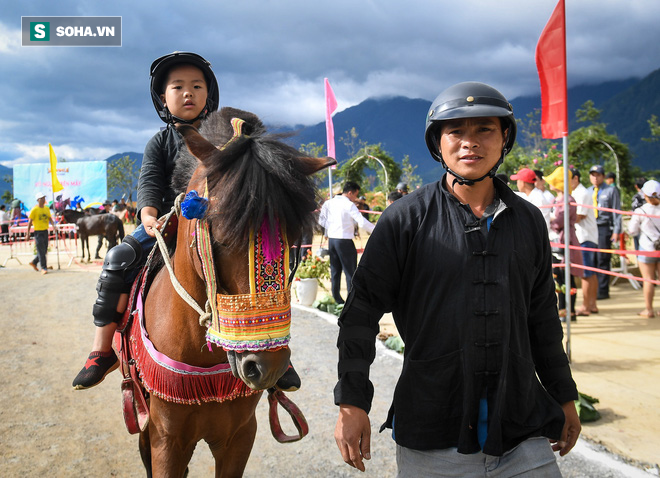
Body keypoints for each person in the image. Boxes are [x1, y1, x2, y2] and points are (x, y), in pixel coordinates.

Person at [334, 82, 580, 476]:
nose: (470, 143)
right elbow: (360, 314)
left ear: (504, 140)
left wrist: (565, 396)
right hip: (433, 434)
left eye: (484, 129)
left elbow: (542, 320)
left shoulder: (528, 220)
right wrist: (352, 402)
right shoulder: (405, 220)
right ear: (439, 142)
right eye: (456, 131)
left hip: (522, 431)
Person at [73, 52, 300, 392]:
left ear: (209, 93)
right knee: (117, 259)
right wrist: (147, 213)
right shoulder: (160, 142)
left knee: (260, 260)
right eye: (177, 87)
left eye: (197, 85)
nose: (188, 93)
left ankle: (273, 348)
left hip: (216, 221)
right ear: (162, 97)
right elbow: (150, 180)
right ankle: (101, 349)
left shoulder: (225, 135)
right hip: (166, 222)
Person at [318, 182, 375, 304]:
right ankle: (351, 300)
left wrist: (333, 227)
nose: (356, 198)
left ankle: (337, 297)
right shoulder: (349, 205)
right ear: (350, 193)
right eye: (355, 195)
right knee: (350, 271)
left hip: (332, 240)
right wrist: (376, 229)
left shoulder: (329, 203)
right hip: (344, 240)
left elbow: (321, 221)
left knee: (335, 270)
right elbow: (362, 222)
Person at [545, 167, 584, 321]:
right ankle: (562, 309)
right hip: (555, 242)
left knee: (567, 276)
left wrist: (550, 219)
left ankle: (570, 310)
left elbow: (560, 220)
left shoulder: (568, 200)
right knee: (558, 277)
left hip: (565, 240)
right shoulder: (556, 200)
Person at [587, 164, 621, 300]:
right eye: (593, 175)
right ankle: (594, 290)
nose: (595, 178)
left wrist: (616, 231)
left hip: (604, 227)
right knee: (592, 258)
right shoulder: (588, 191)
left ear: (603, 176)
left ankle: (603, 290)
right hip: (591, 227)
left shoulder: (611, 191)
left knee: (603, 259)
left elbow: (616, 211)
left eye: (598, 175)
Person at [627, 180, 660, 318]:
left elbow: (632, 231)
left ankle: (649, 309)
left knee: (648, 280)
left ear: (645, 195)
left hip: (646, 248)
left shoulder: (640, 211)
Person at [570, 168, 600, 316]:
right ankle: (592, 304)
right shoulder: (579, 193)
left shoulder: (581, 194)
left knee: (586, 273)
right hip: (588, 237)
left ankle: (586, 306)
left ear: (575, 178)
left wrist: (560, 221)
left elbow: (578, 216)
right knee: (591, 272)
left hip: (584, 237)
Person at [26, 192, 56, 275]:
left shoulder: (46, 209)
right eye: (42, 198)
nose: (43, 200)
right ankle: (43, 267)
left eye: (44, 198)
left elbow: (50, 218)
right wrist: (28, 233)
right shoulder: (34, 210)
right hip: (38, 232)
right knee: (41, 250)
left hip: (45, 231)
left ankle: (34, 262)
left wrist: (54, 226)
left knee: (44, 250)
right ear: (38, 200)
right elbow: (30, 222)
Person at [631, 177, 647, 251]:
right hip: (652, 227)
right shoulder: (654, 197)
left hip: (639, 226)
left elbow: (634, 210)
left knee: (639, 248)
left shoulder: (637, 197)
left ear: (636, 186)